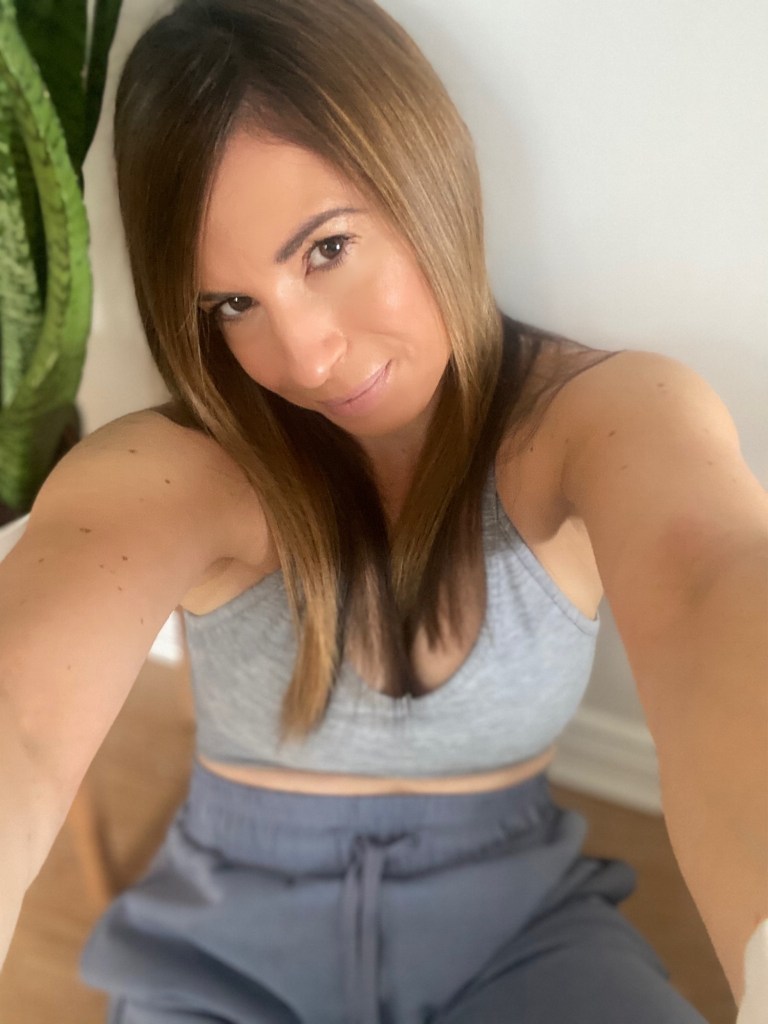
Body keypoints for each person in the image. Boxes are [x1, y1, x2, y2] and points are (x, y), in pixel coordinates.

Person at [1, 0, 765, 1021]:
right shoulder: (182, 469)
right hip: (224, 942)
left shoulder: (600, 419)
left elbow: (713, 582)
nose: (305, 357)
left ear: (424, 173)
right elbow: (21, 726)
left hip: (519, 924)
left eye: (325, 249)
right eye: (233, 305)